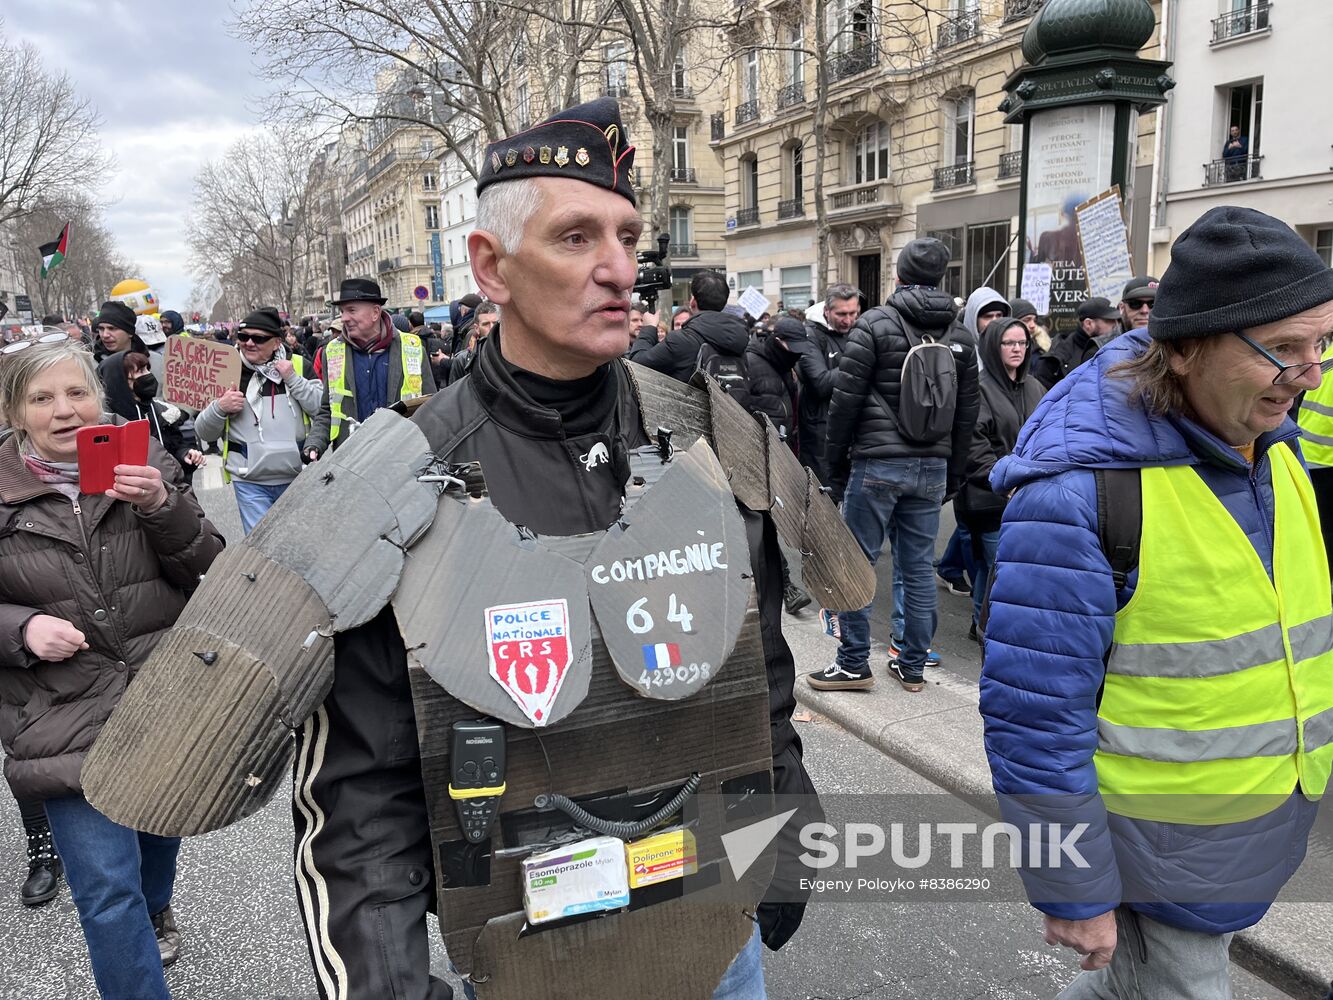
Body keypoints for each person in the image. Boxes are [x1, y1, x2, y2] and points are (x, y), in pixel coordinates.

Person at [291, 97, 814, 999]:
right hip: (526, 953)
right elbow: (360, 800)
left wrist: (783, 841)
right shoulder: (398, 484)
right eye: (576, 238)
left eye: (627, 237)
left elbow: (757, 672)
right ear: (490, 266)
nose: (620, 270)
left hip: (712, 929)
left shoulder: (709, 444)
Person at [981, 206, 1333, 998]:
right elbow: (1033, 716)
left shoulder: (1275, 452)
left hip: (1250, 828)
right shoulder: (1078, 495)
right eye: (1282, 349)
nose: (1310, 374)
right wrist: (1071, 884)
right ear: (1182, 349)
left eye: (1321, 344)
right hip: (1155, 846)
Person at [0, 338, 224, 998]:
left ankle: (157, 904)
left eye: (77, 393)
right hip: (60, 717)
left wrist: (161, 505)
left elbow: (207, 565)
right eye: (42, 398)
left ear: (98, 399)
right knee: (105, 892)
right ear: (14, 412)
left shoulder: (142, 456)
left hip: (159, 699)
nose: (64, 411)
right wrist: (21, 629)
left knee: (158, 836)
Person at [811, 237, 978, 692]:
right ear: (941, 277)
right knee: (918, 569)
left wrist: (835, 468)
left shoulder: (874, 325)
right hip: (932, 466)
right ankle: (913, 665)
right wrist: (954, 473)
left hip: (877, 461)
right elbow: (967, 414)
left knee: (857, 563)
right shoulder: (960, 336)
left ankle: (852, 663)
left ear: (899, 276)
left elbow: (844, 403)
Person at [955, 317, 1046, 640]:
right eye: (1009, 343)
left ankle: (984, 624)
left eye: (1022, 342)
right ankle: (987, 627)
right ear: (994, 346)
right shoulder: (979, 388)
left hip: (1028, 495)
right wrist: (1005, 482)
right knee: (996, 565)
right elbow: (973, 446)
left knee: (1001, 567)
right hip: (989, 497)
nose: (1017, 349)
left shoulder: (1035, 387)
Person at [195, 307, 323, 533]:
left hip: (296, 476)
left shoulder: (298, 365)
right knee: (260, 545)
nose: (249, 343)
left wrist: (293, 379)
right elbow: (204, 432)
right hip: (249, 481)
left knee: (296, 542)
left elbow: (321, 409)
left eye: (259, 338)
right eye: (243, 336)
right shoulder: (225, 370)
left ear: (276, 342)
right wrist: (220, 408)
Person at [305, 279, 435, 459]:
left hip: (402, 458)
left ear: (375, 312)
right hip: (351, 459)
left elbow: (430, 406)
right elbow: (328, 409)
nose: (344, 318)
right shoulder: (333, 352)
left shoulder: (412, 348)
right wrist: (315, 442)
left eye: (351, 310)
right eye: (342, 312)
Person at [746, 315, 813, 614]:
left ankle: (783, 586)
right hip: (758, 455)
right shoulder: (752, 362)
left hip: (782, 453)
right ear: (777, 341)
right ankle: (785, 585)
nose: (796, 354)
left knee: (770, 522)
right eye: (791, 348)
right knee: (765, 523)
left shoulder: (787, 367)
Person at [793, 285, 861, 484]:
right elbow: (821, 383)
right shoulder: (810, 335)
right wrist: (860, 363)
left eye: (853, 313)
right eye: (841, 314)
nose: (848, 320)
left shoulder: (859, 330)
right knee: (825, 491)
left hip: (854, 428)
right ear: (826, 311)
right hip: (821, 430)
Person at [627, 270, 747, 380]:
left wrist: (648, 328)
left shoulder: (681, 340)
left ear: (693, 302)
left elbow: (637, 366)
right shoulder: (740, 338)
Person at [121, 352, 205, 488]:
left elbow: (175, 446)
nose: (148, 374)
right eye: (141, 371)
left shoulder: (162, 411)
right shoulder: (115, 419)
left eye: (147, 369)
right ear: (124, 381)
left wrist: (186, 454)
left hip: (170, 487)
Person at [1033, 297, 1120, 389]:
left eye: (1117, 320)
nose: (1115, 325)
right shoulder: (1057, 359)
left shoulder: (1117, 346)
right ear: (1088, 324)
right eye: (1108, 321)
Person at [446, 301, 498, 384]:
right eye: (486, 324)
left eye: (495, 323)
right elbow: (455, 390)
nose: (491, 328)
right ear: (477, 328)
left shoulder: (510, 356)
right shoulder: (462, 360)